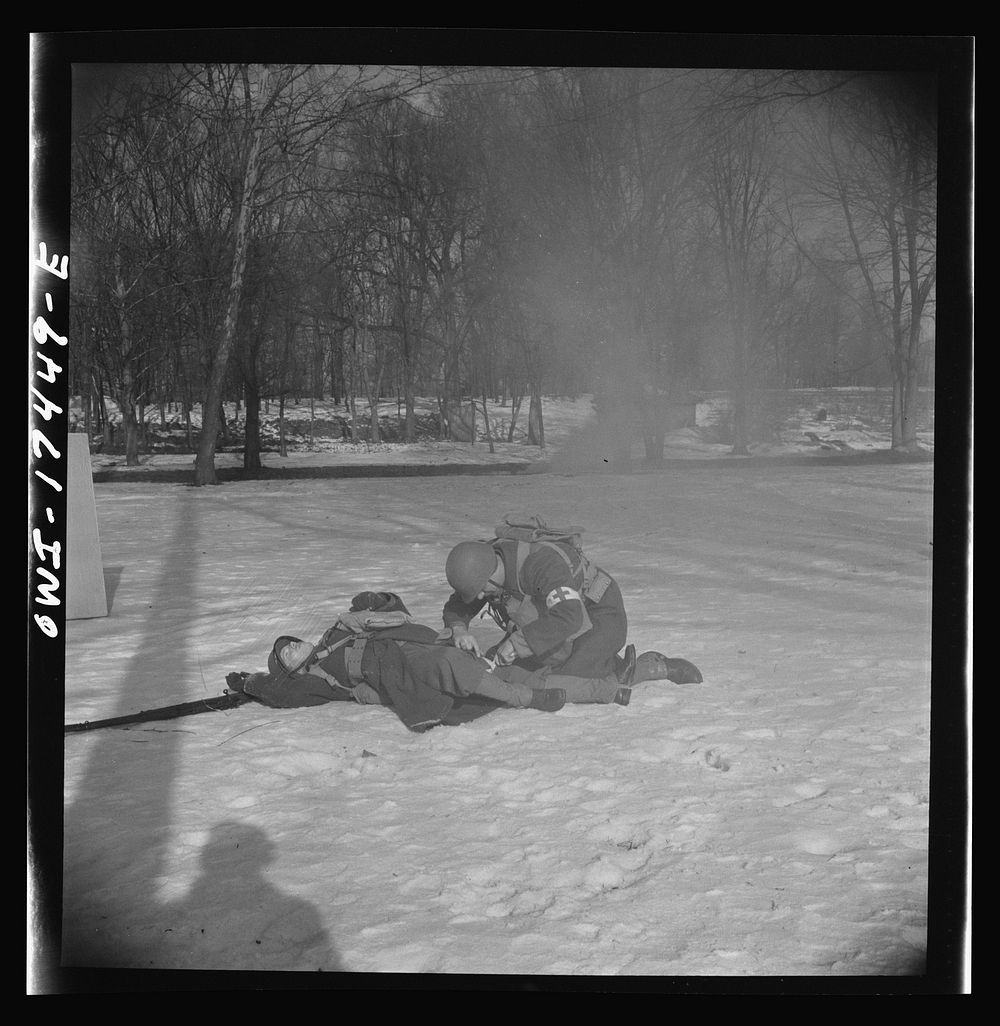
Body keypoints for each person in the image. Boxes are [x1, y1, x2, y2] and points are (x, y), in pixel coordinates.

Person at [227, 592, 634, 733]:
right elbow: (283, 694)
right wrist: (250, 682)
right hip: (398, 668)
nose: (294, 649)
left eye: (291, 644)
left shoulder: (340, 631)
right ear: (291, 668)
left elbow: (393, 608)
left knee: (515, 669)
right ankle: (526, 698)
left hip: (425, 644)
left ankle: (610, 688)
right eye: (287, 655)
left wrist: (373, 604)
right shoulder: (317, 678)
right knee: (453, 670)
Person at [442, 532, 703, 704]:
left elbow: (568, 616)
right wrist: (458, 628)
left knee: (565, 683)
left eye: (482, 592)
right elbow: (460, 602)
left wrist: (517, 644)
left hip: (600, 616)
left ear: (491, 573)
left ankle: (648, 667)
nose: (480, 599)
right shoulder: (486, 560)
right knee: (508, 671)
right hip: (554, 622)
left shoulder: (541, 565)